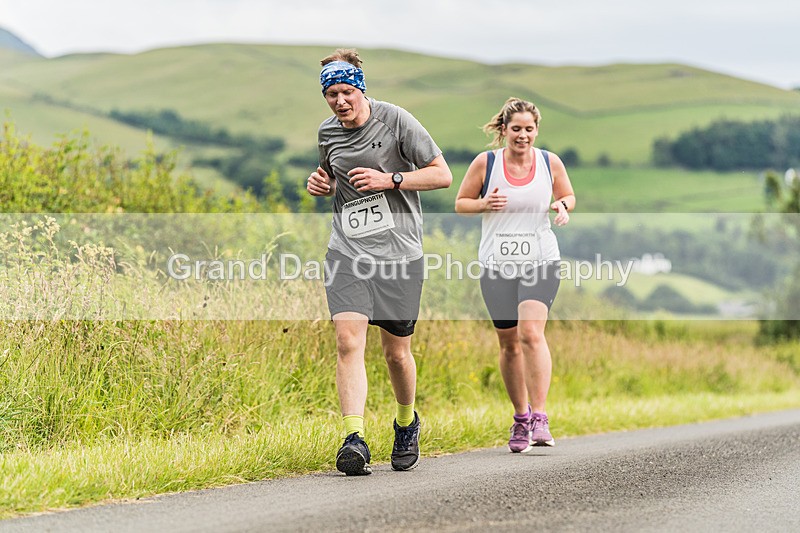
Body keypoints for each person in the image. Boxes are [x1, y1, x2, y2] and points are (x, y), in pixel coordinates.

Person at [307, 49, 452, 475]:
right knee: (348, 342)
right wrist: (320, 182)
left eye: (346, 91)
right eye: (331, 94)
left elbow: (442, 174)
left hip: (399, 255)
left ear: (361, 89)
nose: (339, 101)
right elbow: (329, 175)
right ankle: (354, 439)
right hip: (347, 252)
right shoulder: (327, 132)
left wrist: (392, 179)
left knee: (396, 354)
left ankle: (406, 424)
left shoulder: (396, 121)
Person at [454, 97, 575, 452]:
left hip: (540, 259)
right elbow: (461, 203)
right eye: (516, 129)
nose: (523, 136)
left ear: (537, 130)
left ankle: (540, 416)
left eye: (529, 129)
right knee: (508, 343)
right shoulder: (486, 163)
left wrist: (562, 207)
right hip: (496, 263)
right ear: (504, 129)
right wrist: (483, 204)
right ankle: (520, 418)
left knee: (531, 333)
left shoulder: (549, 162)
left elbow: (568, 195)